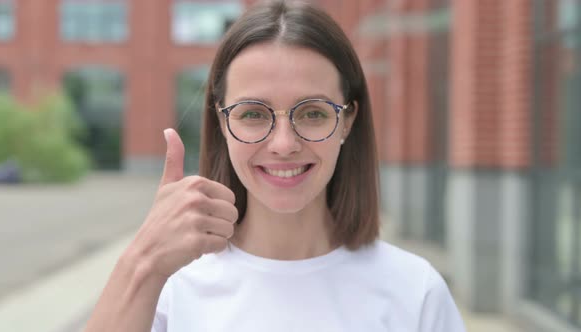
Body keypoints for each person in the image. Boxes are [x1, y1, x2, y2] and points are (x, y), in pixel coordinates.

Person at [84, 1, 466, 331]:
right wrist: (143, 261)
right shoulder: (170, 286)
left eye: (313, 112)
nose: (284, 144)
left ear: (348, 120)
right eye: (252, 113)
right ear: (221, 121)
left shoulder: (415, 292)